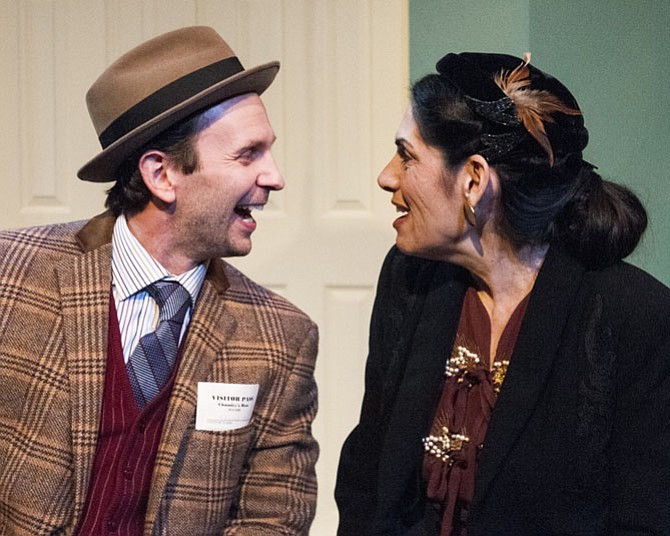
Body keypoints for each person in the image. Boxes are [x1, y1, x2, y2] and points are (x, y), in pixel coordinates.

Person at [0, 26, 318, 535]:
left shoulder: (280, 337)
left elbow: (273, 519)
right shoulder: (12, 275)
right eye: (248, 154)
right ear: (161, 174)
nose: (275, 176)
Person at [335, 51, 670, 535]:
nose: (388, 176)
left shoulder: (636, 316)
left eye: (407, 155)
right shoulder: (410, 276)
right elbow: (368, 473)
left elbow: (645, 518)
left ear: (473, 180)